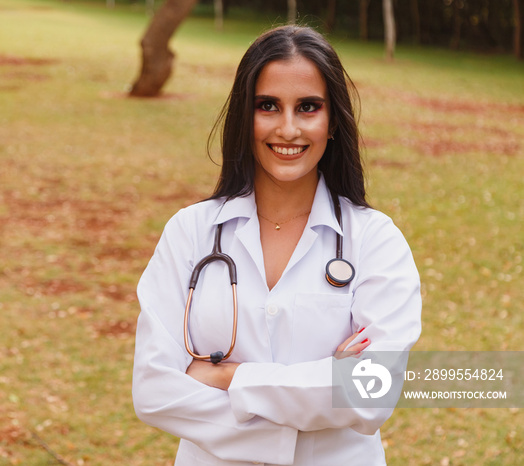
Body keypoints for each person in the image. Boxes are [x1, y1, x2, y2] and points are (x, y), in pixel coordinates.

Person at [132, 24, 421, 465]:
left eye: (308, 107)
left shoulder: (375, 241)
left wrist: (229, 377)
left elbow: (370, 393)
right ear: (243, 117)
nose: (288, 128)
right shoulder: (190, 232)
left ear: (333, 122)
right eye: (267, 106)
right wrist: (315, 401)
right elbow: (154, 391)